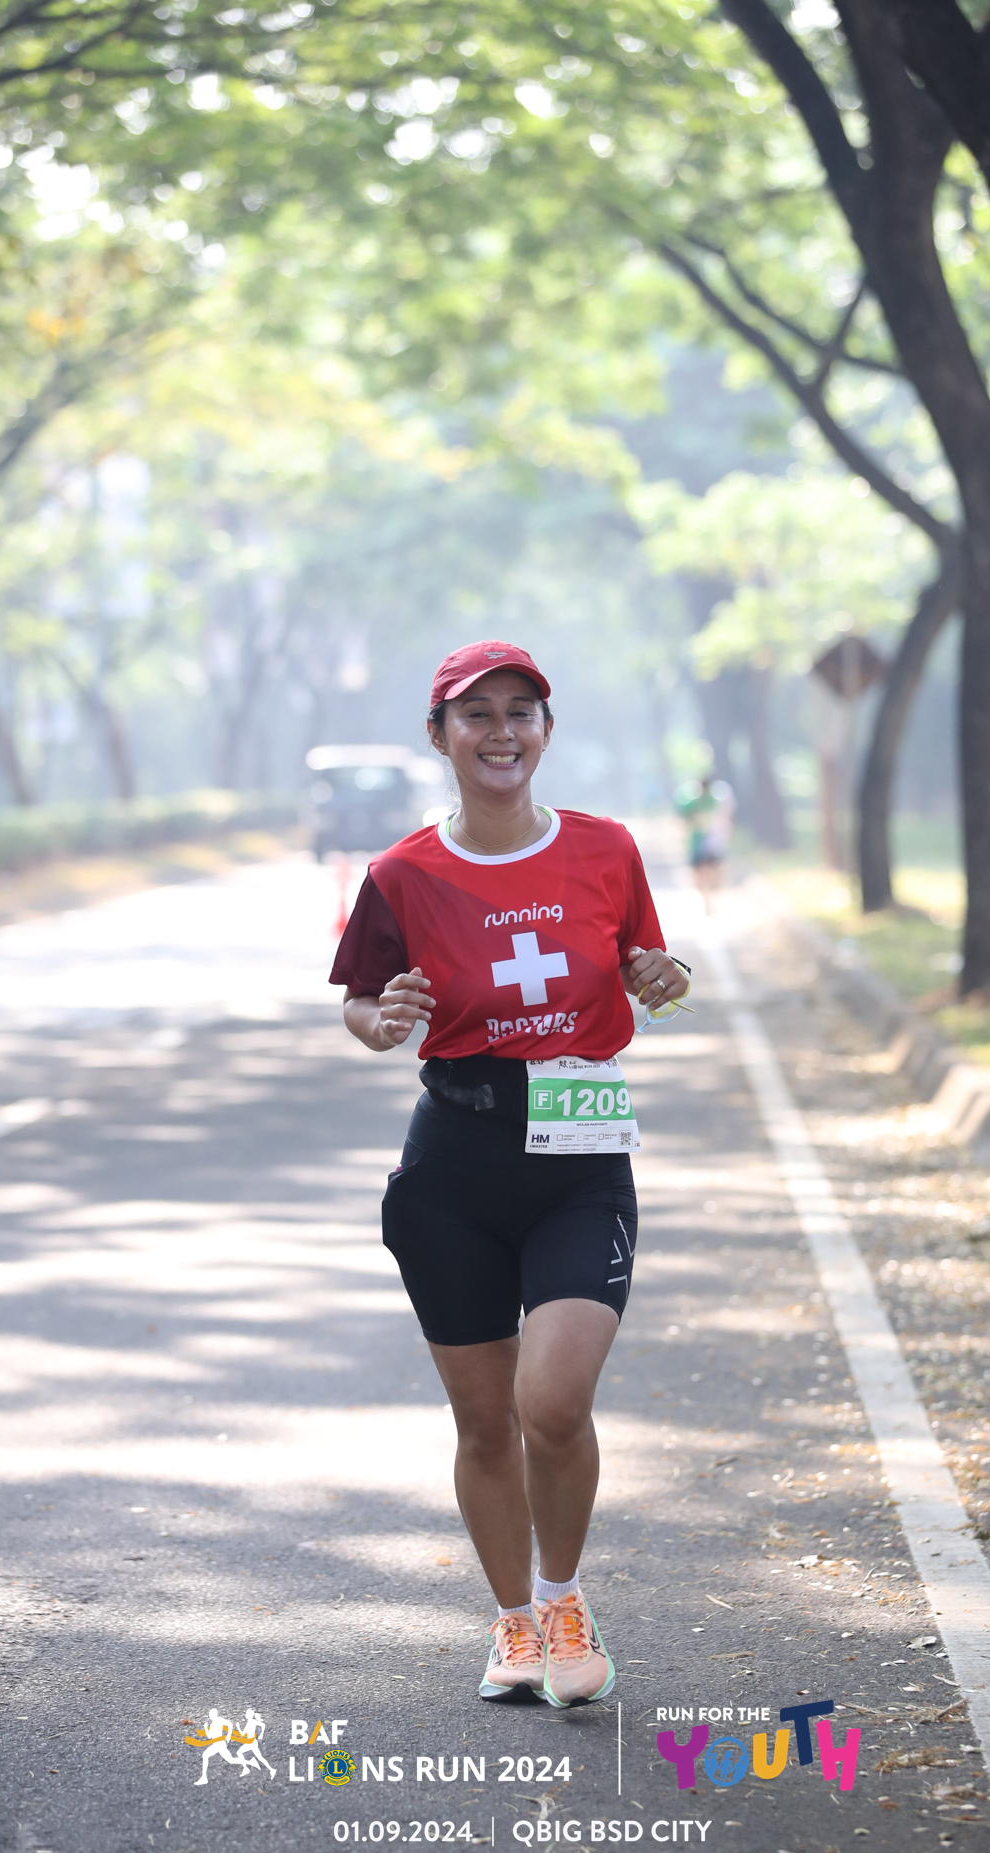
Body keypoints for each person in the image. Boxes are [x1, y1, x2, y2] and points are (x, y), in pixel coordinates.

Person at [330, 640, 690, 1709]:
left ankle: (563, 1598)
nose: (501, 732)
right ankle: (514, 1626)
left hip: (580, 1156)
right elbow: (361, 1001)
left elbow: (647, 962)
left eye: (519, 712)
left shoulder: (605, 848)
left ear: (545, 730)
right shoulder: (401, 875)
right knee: (486, 1423)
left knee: (553, 1403)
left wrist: (661, 976)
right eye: (475, 714)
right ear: (439, 736)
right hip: (456, 1160)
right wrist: (379, 1022)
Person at [675, 773, 733, 913]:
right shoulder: (696, 801)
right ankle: (710, 901)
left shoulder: (711, 800)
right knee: (709, 872)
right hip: (705, 842)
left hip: (707, 842)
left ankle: (710, 901)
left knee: (707, 872)